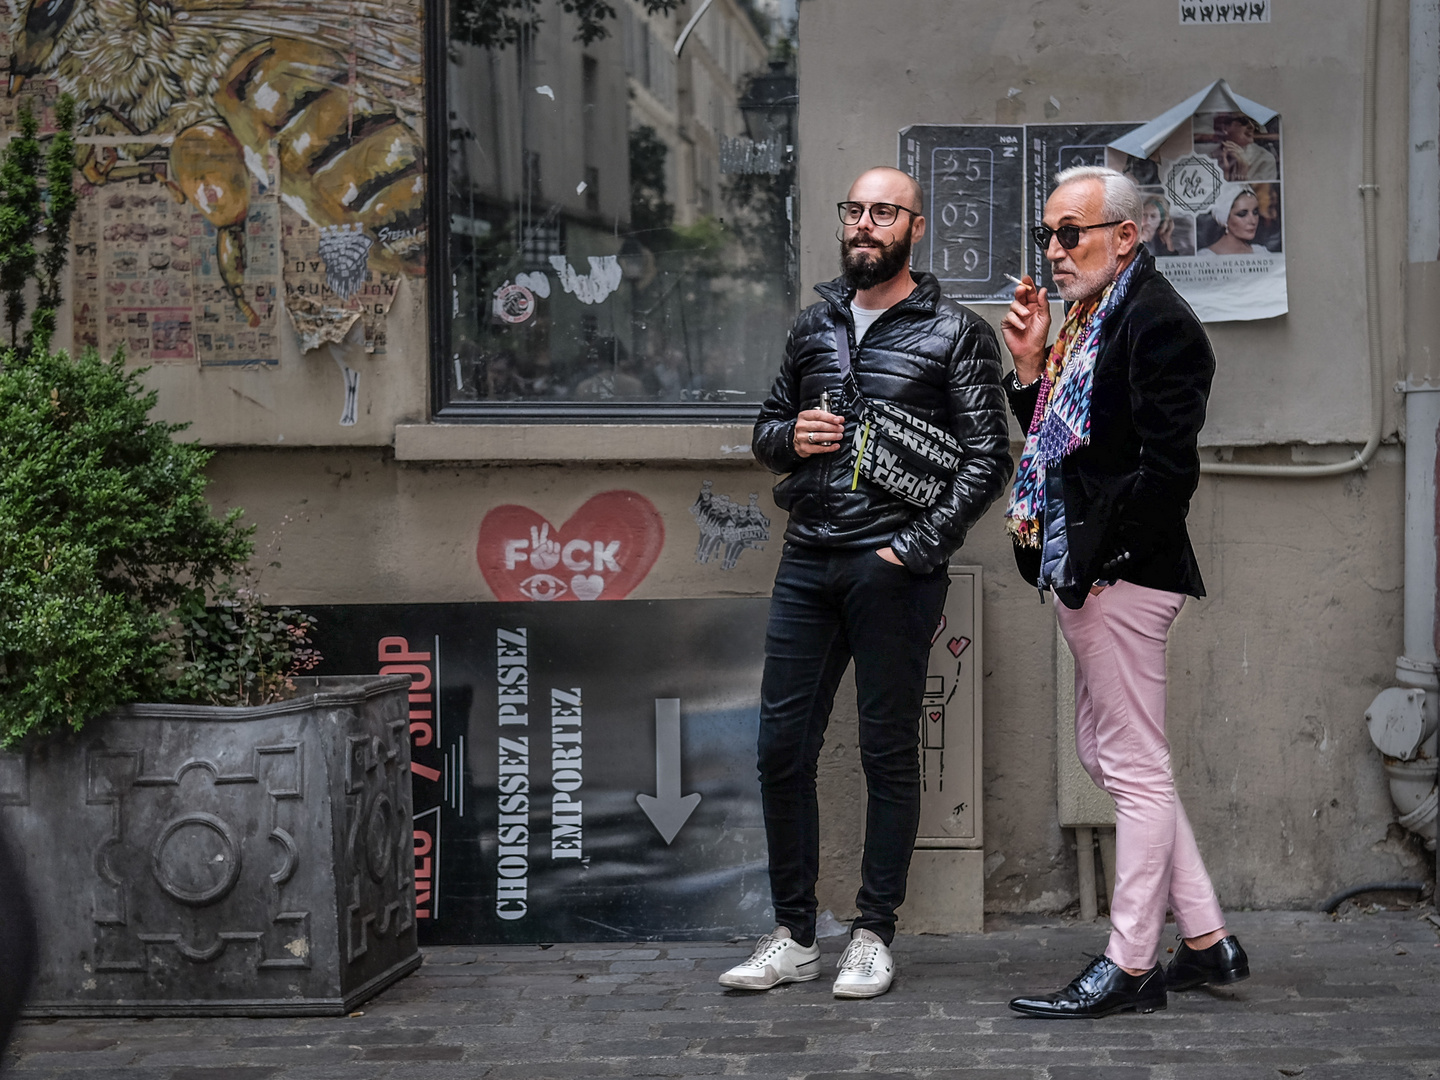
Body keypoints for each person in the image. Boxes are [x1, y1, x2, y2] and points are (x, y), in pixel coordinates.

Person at [721, 166, 1011, 999]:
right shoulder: (815, 326)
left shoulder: (955, 331)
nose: (865, 225)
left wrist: (914, 549)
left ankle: (874, 934)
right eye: (855, 210)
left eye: (884, 212)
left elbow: (987, 460)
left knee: (888, 756)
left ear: (915, 227)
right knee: (781, 751)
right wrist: (794, 437)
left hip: (894, 571)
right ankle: (794, 935)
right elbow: (766, 432)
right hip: (807, 560)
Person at [999, 165, 1248, 1019]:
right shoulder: (1088, 324)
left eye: (1072, 233)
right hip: (1088, 567)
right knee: (1111, 757)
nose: (1056, 251)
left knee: (1135, 768)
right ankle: (1209, 939)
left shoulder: (1155, 322)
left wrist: (1109, 560)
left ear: (1125, 237)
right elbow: (1059, 446)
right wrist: (1028, 367)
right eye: (1049, 234)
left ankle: (1131, 962)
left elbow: (1169, 466)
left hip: (1122, 575)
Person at [1199, 183, 1266, 256]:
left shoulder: (1261, 252)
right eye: (1242, 214)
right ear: (1225, 218)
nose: (1253, 221)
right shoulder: (1205, 256)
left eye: (1255, 212)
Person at [1211, 112, 1278, 182]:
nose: (1252, 127)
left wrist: (1243, 169)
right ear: (1224, 128)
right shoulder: (1209, 157)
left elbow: (1261, 192)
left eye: (1253, 121)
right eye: (1244, 121)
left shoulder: (1265, 159)